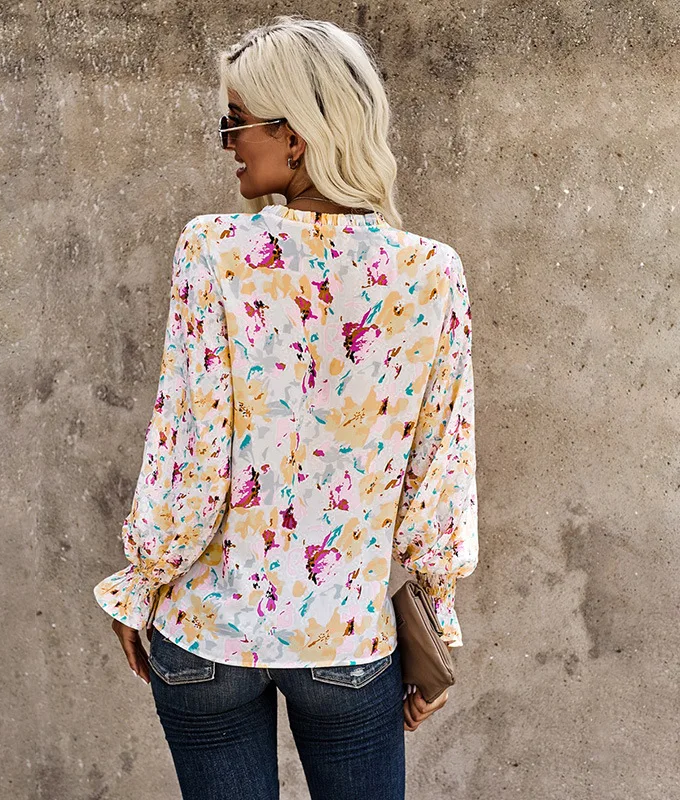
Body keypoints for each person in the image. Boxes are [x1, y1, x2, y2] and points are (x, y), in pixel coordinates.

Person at [92, 14, 478, 800]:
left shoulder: (212, 250)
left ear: (293, 136)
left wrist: (140, 580)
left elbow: (192, 453)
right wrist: (437, 623)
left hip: (208, 637)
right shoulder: (430, 273)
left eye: (235, 122)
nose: (227, 143)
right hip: (345, 640)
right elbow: (438, 476)